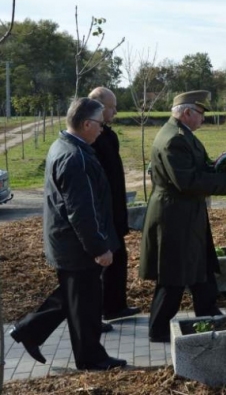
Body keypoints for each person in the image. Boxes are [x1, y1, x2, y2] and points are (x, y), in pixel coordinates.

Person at [9, 98, 127, 371]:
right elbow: (81, 212)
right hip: (77, 245)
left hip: (66, 242)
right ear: (86, 124)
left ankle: (28, 331)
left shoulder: (64, 145)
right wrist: (99, 248)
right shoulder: (75, 158)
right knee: (85, 304)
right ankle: (91, 358)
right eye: (99, 123)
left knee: (74, 295)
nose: (102, 128)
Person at [139, 90, 226, 343]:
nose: (203, 119)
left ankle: (208, 312)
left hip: (185, 212)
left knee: (200, 264)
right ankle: (159, 327)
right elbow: (187, 181)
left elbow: (201, 166)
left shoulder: (183, 135)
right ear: (187, 113)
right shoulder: (174, 139)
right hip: (174, 215)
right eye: (200, 113)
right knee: (174, 274)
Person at [88, 87, 140, 323]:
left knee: (119, 258)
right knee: (101, 264)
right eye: (112, 107)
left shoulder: (109, 135)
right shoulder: (92, 140)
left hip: (116, 210)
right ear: (98, 107)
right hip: (102, 213)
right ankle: (97, 312)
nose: (116, 111)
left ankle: (115, 306)